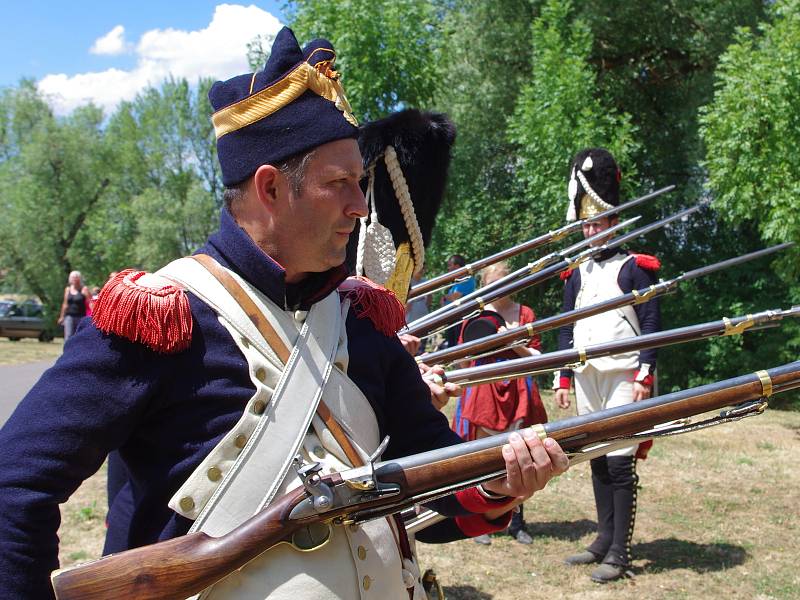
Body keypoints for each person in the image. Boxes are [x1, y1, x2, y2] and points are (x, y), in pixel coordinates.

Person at [0, 28, 568, 600]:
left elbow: (430, 473)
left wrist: (501, 480)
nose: (361, 207)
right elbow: (15, 485)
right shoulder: (160, 318)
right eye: (339, 184)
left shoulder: (363, 322)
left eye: (361, 182)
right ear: (270, 189)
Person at [553, 148, 661, 583]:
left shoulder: (635, 268)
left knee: (619, 461)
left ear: (614, 222)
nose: (592, 231)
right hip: (585, 376)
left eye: (598, 223)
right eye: (587, 224)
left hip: (623, 375)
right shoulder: (576, 271)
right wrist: (561, 375)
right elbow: (566, 327)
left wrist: (645, 372)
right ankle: (602, 538)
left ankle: (620, 549)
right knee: (596, 458)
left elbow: (652, 323)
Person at [451, 261, 548, 545]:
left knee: (521, 453)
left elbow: (537, 358)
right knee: (483, 456)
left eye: (502, 283)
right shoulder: (474, 314)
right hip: (483, 390)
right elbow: (461, 360)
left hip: (517, 386)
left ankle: (517, 520)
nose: (497, 290)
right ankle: (480, 518)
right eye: (491, 284)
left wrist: (513, 340)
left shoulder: (524, 314)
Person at [440, 254, 475, 348]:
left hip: (461, 317)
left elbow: (454, 297)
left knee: (457, 343)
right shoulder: (458, 281)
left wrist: (445, 297)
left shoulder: (467, 280)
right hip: (454, 317)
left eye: (449, 265)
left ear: (456, 266)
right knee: (452, 342)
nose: (448, 268)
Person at [57, 270, 91, 340]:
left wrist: (94, 315)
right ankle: (67, 351)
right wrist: (61, 317)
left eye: (76, 277)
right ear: (70, 279)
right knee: (68, 336)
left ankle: (78, 351)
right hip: (69, 316)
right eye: (73, 278)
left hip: (81, 317)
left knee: (79, 336)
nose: (74, 279)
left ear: (79, 279)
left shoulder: (84, 289)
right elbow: (65, 304)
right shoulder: (68, 289)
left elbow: (90, 302)